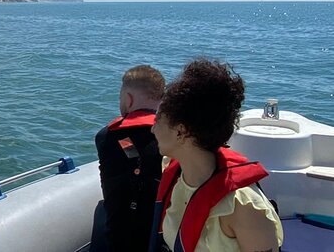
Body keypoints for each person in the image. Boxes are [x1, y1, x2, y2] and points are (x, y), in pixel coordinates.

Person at [149, 59, 283, 252]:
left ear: (180, 132)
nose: (152, 129)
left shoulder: (243, 206)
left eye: (157, 121)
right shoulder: (174, 172)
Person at [91, 65, 166, 252]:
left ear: (128, 98)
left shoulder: (106, 137)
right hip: (158, 237)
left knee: (102, 209)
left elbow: (132, 150)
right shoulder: (177, 137)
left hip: (118, 239)